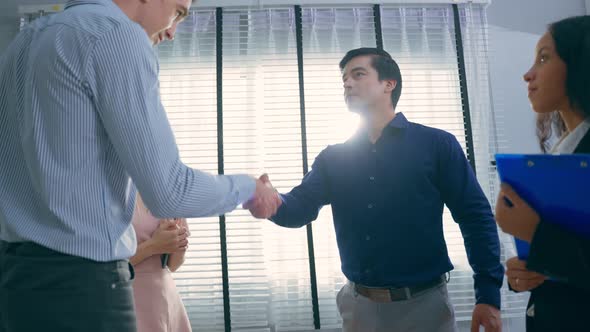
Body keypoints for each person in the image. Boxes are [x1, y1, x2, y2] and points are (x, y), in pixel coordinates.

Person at [0, 0, 280, 331]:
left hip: (15, 282)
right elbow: (169, 191)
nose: (174, 31)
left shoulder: (25, 42)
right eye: (178, 11)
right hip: (82, 290)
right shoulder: (117, 36)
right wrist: (249, 188)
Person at [246, 47, 504, 332]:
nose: (347, 83)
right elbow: (299, 208)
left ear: (388, 84)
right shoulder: (333, 158)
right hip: (359, 309)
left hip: (425, 306)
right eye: (344, 78)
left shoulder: (438, 145)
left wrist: (488, 295)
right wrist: (270, 202)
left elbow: (475, 217)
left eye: (358, 74)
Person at [495, 15, 590, 332]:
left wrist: (536, 235)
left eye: (544, 58)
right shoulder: (564, 150)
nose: (527, 74)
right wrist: (524, 274)